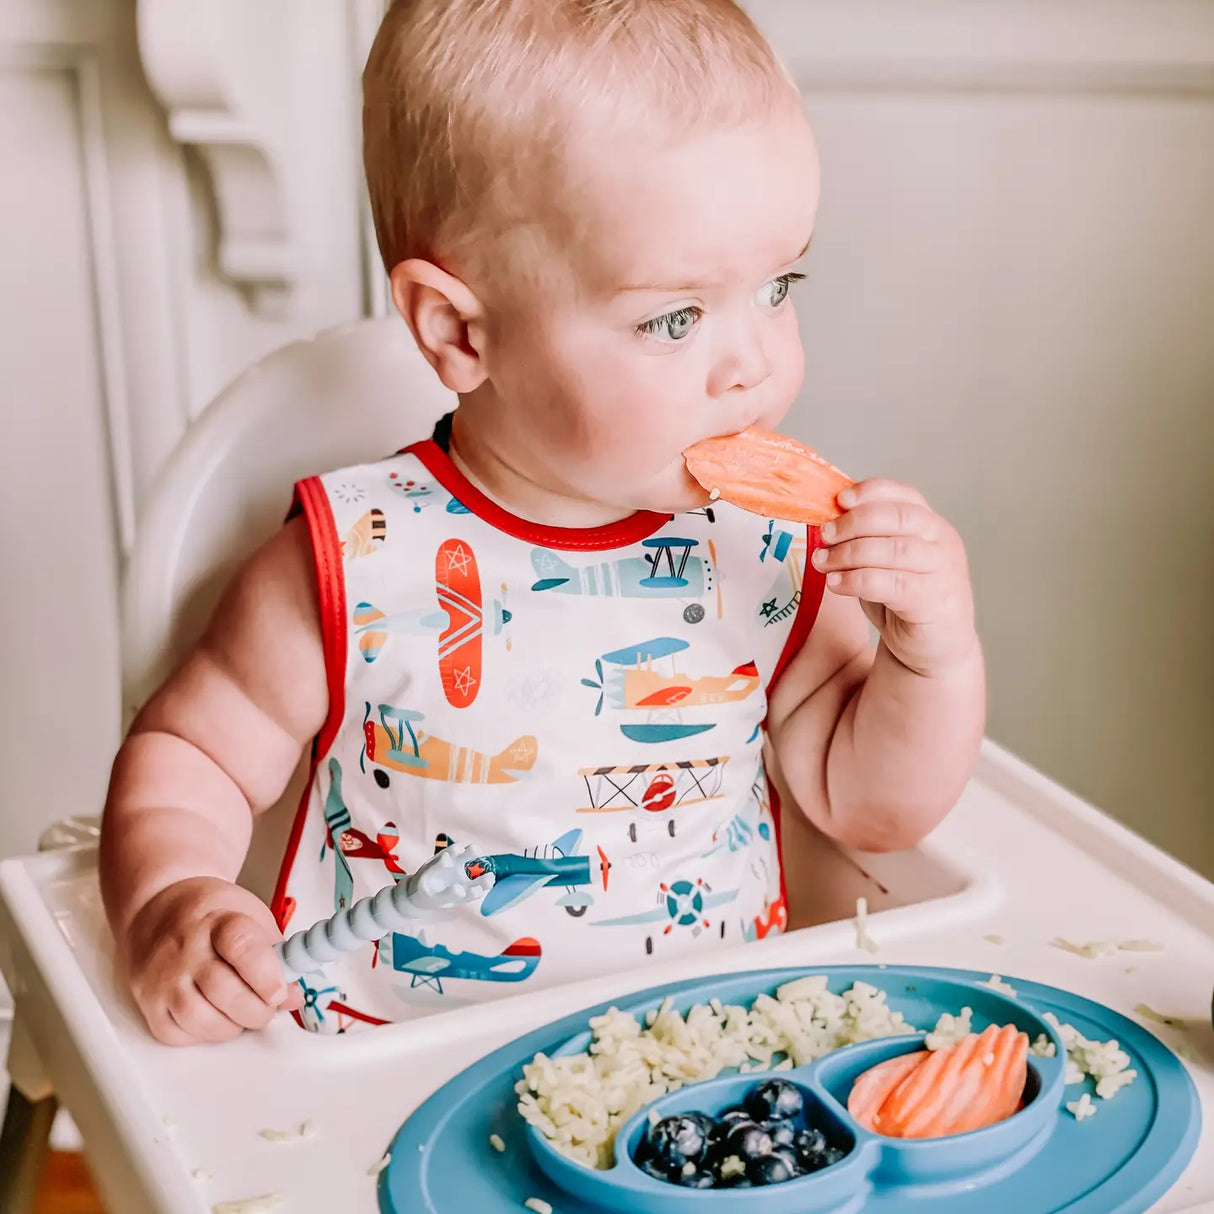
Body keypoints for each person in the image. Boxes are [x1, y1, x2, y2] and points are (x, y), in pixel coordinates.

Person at [100, 0, 984, 1044]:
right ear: (460, 331)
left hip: (712, 1057)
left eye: (777, 286)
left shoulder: (764, 557)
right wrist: (170, 902)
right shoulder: (351, 561)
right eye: (674, 317)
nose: (752, 363)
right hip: (395, 1072)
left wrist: (928, 655)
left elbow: (868, 810)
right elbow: (191, 756)